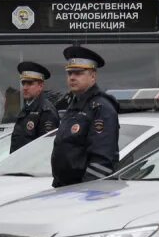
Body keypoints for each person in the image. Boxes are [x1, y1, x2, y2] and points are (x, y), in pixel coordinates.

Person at [50, 45, 119, 187]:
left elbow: (102, 159)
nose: (72, 77)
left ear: (93, 76)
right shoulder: (74, 105)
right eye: (69, 73)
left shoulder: (101, 107)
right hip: (65, 189)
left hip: (85, 192)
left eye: (78, 73)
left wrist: (87, 192)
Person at [10, 61, 60, 153]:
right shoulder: (27, 107)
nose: (25, 87)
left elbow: (45, 149)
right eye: (23, 83)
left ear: (40, 86)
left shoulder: (46, 111)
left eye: (29, 83)